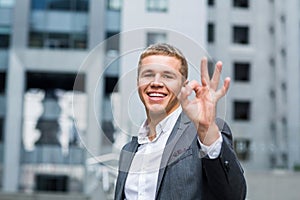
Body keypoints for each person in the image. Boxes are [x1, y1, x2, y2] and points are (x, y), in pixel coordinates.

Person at [114, 43, 247, 200]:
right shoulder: (128, 151)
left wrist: (206, 130)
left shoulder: (202, 134)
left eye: (167, 76)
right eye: (148, 74)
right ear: (138, 82)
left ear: (184, 85)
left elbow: (234, 196)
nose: (156, 82)